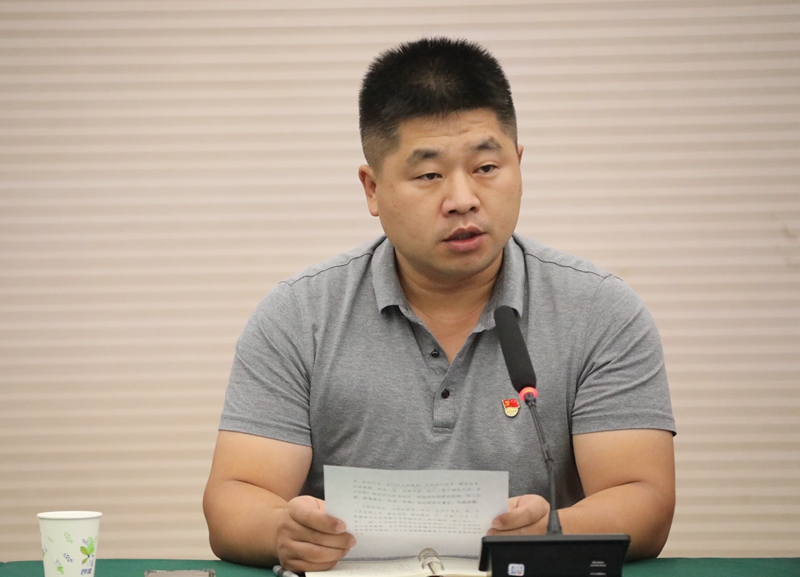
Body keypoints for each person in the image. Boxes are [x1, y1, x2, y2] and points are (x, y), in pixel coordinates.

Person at [203, 37, 676, 572]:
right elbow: (235, 497)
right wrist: (283, 532)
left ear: (519, 166)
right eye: (429, 175)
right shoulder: (299, 316)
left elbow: (643, 498)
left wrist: (550, 530)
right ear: (372, 189)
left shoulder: (600, 311)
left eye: (486, 167)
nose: (463, 199)